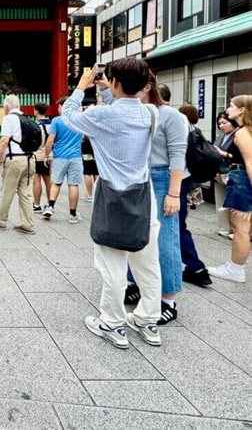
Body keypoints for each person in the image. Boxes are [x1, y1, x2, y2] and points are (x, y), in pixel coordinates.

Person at [61, 60, 163, 349]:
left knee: (112, 265)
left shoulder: (100, 115)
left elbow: (68, 115)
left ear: (116, 82)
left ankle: (113, 322)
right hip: (143, 199)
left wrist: (82, 87)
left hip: (112, 199)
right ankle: (148, 320)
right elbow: (122, 110)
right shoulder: (151, 113)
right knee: (147, 263)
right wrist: (110, 90)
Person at [109, 74, 187, 325]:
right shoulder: (135, 112)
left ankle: (168, 299)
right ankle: (137, 284)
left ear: (147, 87)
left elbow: (178, 155)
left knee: (165, 239)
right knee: (134, 235)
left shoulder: (171, 116)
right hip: (135, 177)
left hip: (161, 177)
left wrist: (174, 193)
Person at [209, 95, 252, 283]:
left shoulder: (242, 132)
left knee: (240, 228)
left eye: (232, 105)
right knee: (242, 227)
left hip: (241, 180)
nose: (228, 109)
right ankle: (235, 266)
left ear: (242, 110)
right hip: (241, 178)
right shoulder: (246, 130)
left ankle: (235, 268)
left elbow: (250, 162)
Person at [0, 95, 35, 234]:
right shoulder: (27, 119)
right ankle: (28, 224)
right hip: (29, 159)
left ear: (7, 106)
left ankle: (1, 220)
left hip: (15, 160)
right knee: (25, 193)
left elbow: (4, 141)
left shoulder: (9, 119)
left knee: (8, 191)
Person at [176, 103, 212, 287]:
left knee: (175, 225)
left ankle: (194, 266)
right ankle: (195, 267)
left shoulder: (177, 125)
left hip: (176, 180)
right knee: (179, 224)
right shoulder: (194, 130)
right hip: (187, 178)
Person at [43, 96, 84, 223]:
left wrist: (46, 155)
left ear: (63, 107)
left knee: (56, 183)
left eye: (59, 106)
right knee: (73, 185)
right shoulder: (79, 121)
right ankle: (72, 214)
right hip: (76, 157)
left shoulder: (56, 121)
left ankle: (50, 207)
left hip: (59, 157)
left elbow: (50, 140)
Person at [213, 112, 238, 239]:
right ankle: (224, 227)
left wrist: (223, 153)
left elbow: (241, 156)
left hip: (232, 172)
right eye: (219, 123)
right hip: (219, 172)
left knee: (233, 202)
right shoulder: (221, 136)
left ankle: (235, 229)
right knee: (220, 200)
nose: (221, 126)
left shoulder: (238, 135)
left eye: (224, 123)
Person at [32, 103, 52, 212]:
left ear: (36, 111)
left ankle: (36, 204)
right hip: (49, 155)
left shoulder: (36, 125)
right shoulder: (52, 124)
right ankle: (50, 204)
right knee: (48, 180)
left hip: (38, 154)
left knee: (37, 179)